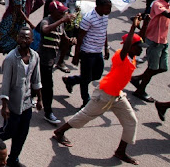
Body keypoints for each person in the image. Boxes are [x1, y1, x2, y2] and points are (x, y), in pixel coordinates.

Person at [53, 15, 145, 165]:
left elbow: (139, 40)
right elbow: (128, 46)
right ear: (131, 47)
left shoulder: (132, 56)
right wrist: (132, 27)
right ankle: (59, 132)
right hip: (105, 94)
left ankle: (120, 151)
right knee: (85, 116)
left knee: (131, 121)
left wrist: (143, 23)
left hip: (117, 95)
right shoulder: (121, 55)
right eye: (139, 48)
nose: (142, 51)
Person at [0, 28, 42, 167]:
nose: (24, 40)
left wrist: (40, 99)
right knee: (9, 131)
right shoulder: (11, 58)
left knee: (22, 134)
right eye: (21, 37)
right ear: (17, 38)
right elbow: (5, 84)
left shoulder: (35, 56)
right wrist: (4, 106)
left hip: (27, 103)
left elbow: (36, 80)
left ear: (32, 40)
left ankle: (13, 159)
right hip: (13, 104)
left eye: (26, 38)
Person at [63, 0, 112, 109]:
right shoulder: (88, 18)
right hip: (87, 52)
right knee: (86, 79)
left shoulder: (105, 17)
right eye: (106, 8)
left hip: (98, 51)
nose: (108, 11)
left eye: (109, 8)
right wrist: (76, 55)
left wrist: (106, 47)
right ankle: (86, 101)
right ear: (98, 7)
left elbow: (104, 31)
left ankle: (71, 80)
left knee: (96, 75)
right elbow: (80, 38)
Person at [37, 0, 75, 125]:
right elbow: (45, 30)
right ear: (52, 12)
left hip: (50, 60)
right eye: (60, 13)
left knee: (37, 82)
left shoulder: (60, 24)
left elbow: (63, 38)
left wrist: (71, 41)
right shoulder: (47, 21)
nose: (62, 15)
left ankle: (31, 98)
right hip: (43, 60)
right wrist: (62, 21)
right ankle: (48, 113)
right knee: (48, 88)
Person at [130, 0, 170, 102]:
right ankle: (140, 90)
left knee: (163, 68)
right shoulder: (157, 4)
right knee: (152, 68)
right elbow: (167, 14)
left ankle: (137, 79)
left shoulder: (167, 4)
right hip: (154, 41)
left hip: (163, 40)